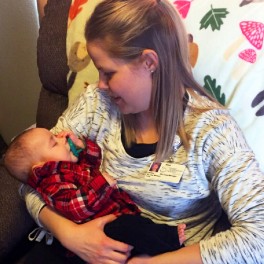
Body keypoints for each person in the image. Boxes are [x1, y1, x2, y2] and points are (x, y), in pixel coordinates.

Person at [20, 0, 264, 263]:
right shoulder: (96, 105)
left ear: (149, 62)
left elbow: (258, 236)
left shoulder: (211, 130)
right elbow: (30, 173)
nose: (99, 85)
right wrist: (71, 235)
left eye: (108, 72)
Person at [4, 127, 186, 258]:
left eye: (55, 136)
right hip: (101, 228)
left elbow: (93, 161)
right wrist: (101, 184)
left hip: (117, 213)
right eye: (54, 143)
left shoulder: (68, 167)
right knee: (132, 227)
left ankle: (156, 245)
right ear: (41, 167)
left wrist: (82, 145)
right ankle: (168, 240)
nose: (60, 137)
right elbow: (76, 206)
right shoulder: (52, 183)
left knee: (138, 226)